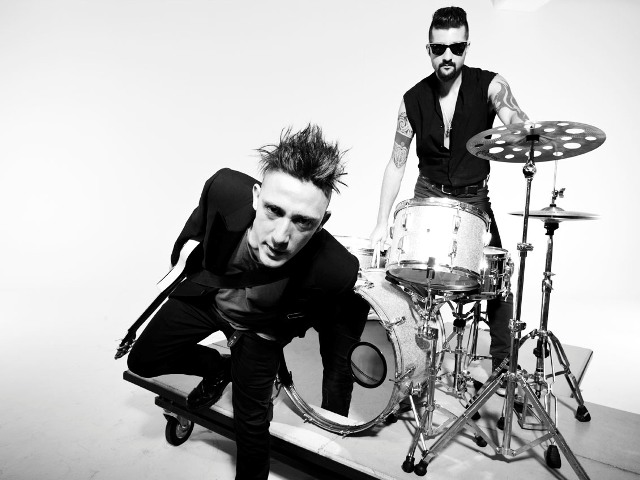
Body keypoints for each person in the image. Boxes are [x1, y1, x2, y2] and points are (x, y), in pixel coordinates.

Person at [127, 124, 369, 480]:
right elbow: (195, 236)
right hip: (210, 299)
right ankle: (218, 367)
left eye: (303, 222)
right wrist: (184, 265)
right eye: (273, 210)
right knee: (142, 360)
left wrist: (269, 339)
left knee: (251, 426)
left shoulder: (336, 270)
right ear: (256, 196)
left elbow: (302, 318)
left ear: (323, 222)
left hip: (259, 328)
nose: (281, 236)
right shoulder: (223, 189)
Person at [369, 6, 529, 383]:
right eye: (439, 48)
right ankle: (411, 360)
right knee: (410, 279)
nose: (447, 56)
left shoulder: (490, 85)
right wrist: (380, 223)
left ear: (466, 47)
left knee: (497, 281)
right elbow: (396, 163)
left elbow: (516, 119)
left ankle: (502, 366)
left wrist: (521, 130)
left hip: (474, 200)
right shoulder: (412, 100)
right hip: (428, 196)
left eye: (456, 48)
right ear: (429, 49)